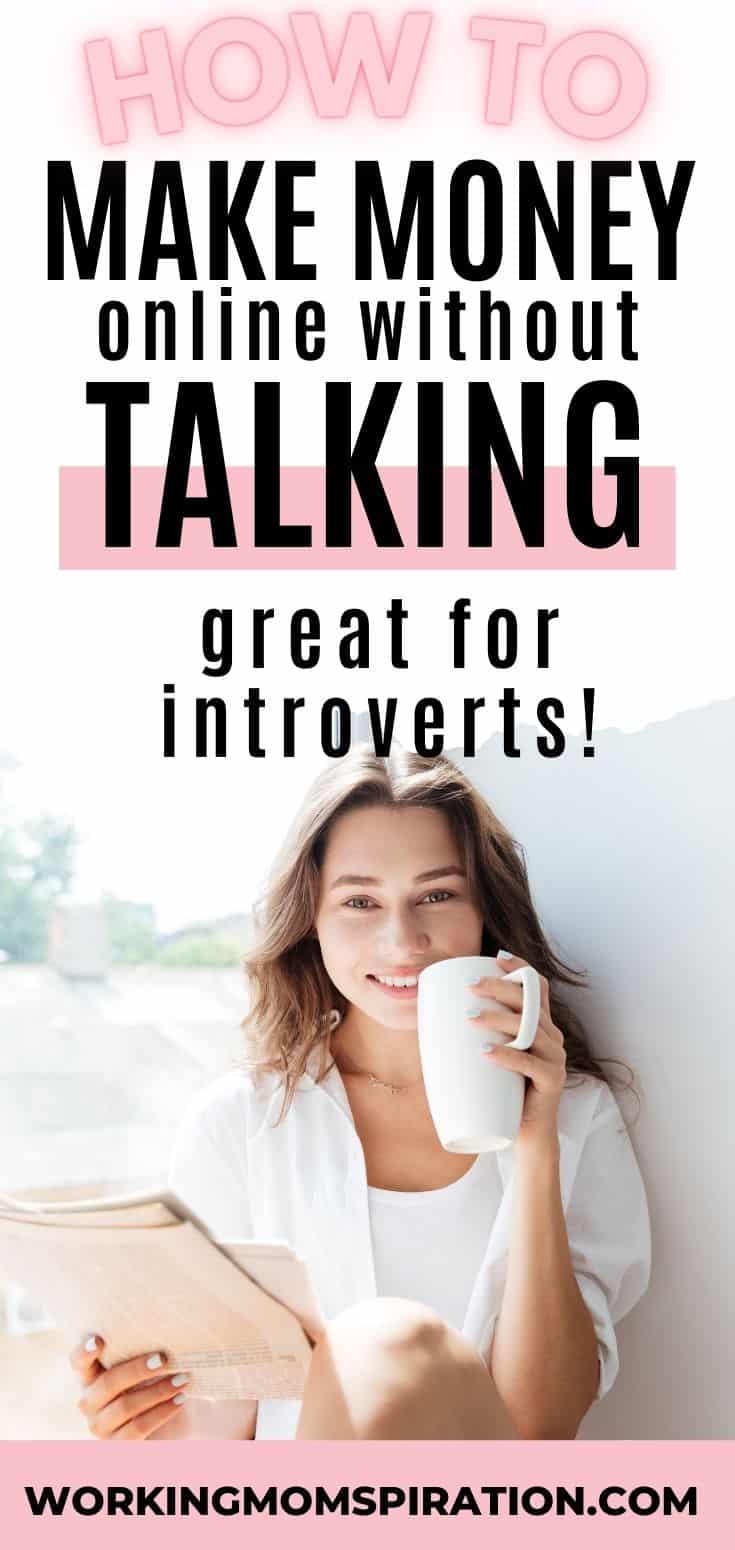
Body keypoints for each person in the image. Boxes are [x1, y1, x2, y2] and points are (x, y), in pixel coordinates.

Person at [70, 748, 650, 1440]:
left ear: (482, 910)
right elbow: (221, 1433)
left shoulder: (574, 1112)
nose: (402, 941)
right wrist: (143, 1421)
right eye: (359, 902)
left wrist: (535, 1144)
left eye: (436, 894)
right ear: (310, 923)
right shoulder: (242, 1122)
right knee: (377, 1343)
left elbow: (542, 1425)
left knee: (386, 1342)